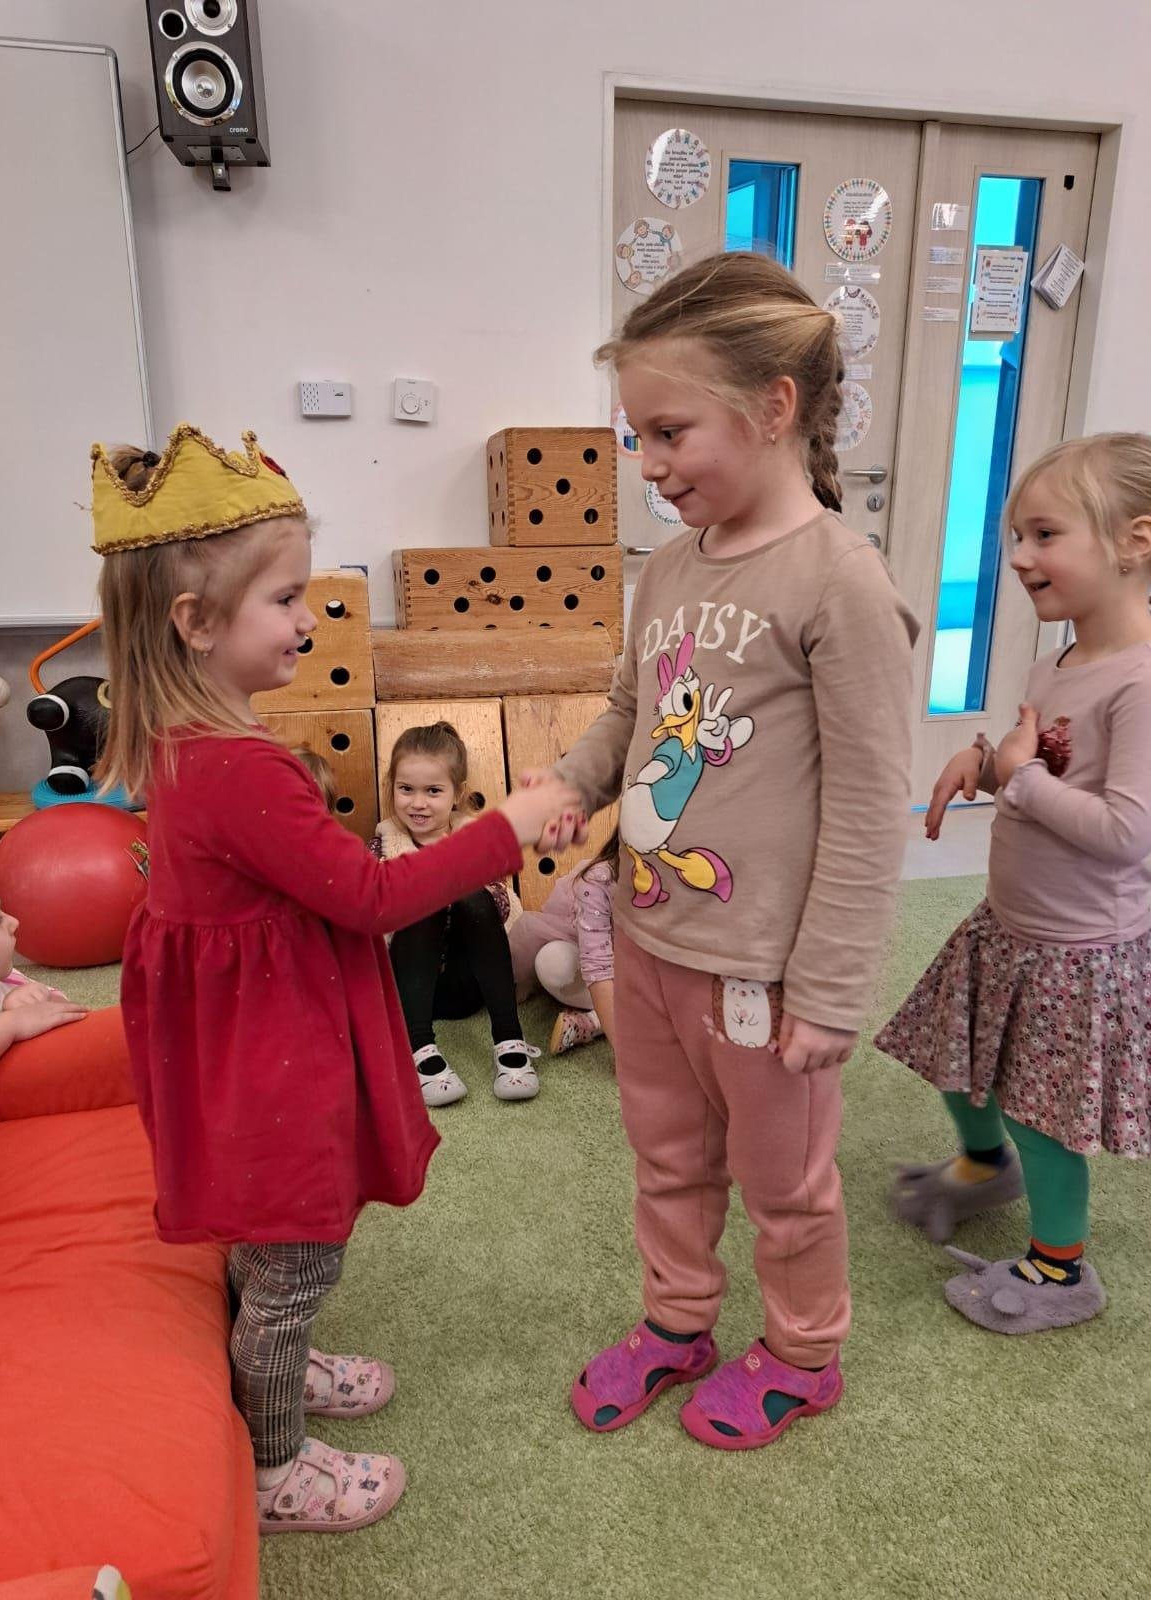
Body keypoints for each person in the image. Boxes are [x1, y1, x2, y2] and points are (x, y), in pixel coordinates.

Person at [91, 424, 582, 1533]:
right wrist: (503, 826)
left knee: (272, 1242)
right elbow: (371, 896)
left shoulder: (183, 740)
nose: (309, 618)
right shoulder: (240, 768)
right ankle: (274, 1465)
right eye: (284, 599)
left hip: (244, 1038)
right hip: (272, 1052)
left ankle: (275, 1358)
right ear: (196, 622)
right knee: (297, 1258)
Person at [534, 253, 917, 1449]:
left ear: (773, 407)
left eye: (668, 432)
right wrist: (574, 781)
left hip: (766, 972)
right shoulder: (668, 568)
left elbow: (870, 805)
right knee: (667, 1157)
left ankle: (803, 1353)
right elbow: (630, 709)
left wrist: (832, 989)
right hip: (651, 937)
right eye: (635, 436)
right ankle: (678, 1320)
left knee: (785, 1185)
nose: (646, 465)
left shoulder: (841, 581)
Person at [876, 432, 1151, 1334]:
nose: (1020, 557)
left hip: (1077, 951)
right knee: (956, 1055)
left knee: (1043, 1113)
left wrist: (1020, 778)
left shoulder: (1141, 682)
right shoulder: (1059, 660)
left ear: (1135, 541)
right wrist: (986, 761)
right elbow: (1047, 767)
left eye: (1044, 534)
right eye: (1015, 537)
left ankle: (1061, 1268)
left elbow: (1127, 833)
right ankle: (985, 1165)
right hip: (1012, 924)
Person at [371, 721, 540, 1106]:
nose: (418, 803)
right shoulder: (383, 845)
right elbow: (369, 912)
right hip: (409, 989)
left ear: (456, 794)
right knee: (418, 894)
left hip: (468, 986)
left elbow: (504, 909)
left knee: (470, 894)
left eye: (433, 791)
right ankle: (419, 1048)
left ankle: (509, 1040)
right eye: (406, 789)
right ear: (392, 787)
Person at [0, 852, 85, 1101]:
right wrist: (10, 1024)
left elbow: (75, 1019)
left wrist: (42, 1000)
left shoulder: (0, 981)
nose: (14, 922)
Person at [508, 827, 617, 1056]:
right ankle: (605, 1018)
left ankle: (593, 1022)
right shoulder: (599, 880)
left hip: (651, 977)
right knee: (552, 961)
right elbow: (597, 963)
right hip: (600, 966)